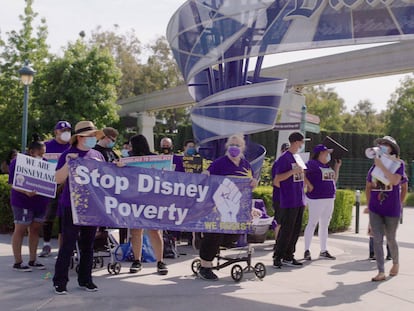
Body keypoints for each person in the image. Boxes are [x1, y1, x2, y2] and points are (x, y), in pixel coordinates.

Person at [53, 121, 105, 294]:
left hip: (92, 207)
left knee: (88, 245)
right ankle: (60, 281)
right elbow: (57, 179)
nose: (92, 139)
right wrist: (69, 163)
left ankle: (85, 279)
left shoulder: (97, 155)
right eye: (90, 136)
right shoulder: (68, 154)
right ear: (80, 137)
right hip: (72, 206)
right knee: (67, 245)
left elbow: (107, 178)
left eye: (93, 136)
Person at [198, 134, 258, 281]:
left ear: (242, 147)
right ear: (227, 146)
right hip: (218, 206)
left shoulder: (246, 165)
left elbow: (249, 187)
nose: (234, 148)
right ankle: (205, 266)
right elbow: (207, 174)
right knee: (214, 235)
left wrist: (254, 183)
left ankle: (210, 252)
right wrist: (204, 174)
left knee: (231, 238)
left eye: (237, 145)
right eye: (232, 144)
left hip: (238, 208)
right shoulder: (220, 163)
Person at [128, 134, 168, 275]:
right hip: (135, 200)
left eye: (131, 145)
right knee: (136, 231)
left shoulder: (155, 159)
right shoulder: (129, 160)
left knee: (154, 230)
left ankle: (160, 261)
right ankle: (137, 260)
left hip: (152, 200)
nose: (129, 148)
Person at [366, 135, 404, 282]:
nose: (382, 146)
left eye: (385, 144)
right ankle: (381, 271)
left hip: (392, 208)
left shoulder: (399, 164)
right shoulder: (373, 166)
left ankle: (395, 263)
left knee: (391, 238)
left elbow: (395, 181)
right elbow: (369, 187)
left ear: (391, 148)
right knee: (376, 239)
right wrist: (368, 206)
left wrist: (382, 166)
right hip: (375, 208)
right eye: (381, 144)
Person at [8, 135, 49, 271]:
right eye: (40, 153)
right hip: (22, 201)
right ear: (31, 152)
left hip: (40, 201)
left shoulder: (45, 163)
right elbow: (13, 183)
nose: (42, 156)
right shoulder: (17, 162)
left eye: (44, 154)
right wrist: (25, 191)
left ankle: (33, 260)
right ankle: (18, 262)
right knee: (20, 229)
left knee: (35, 229)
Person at [272, 132, 306, 268]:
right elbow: (277, 180)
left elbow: (302, 175)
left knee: (295, 230)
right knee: (286, 230)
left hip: (299, 200)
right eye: (302, 142)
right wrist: (291, 173)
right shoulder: (284, 158)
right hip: (289, 200)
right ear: (296, 142)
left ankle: (289, 256)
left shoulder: (298, 157)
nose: (302, 145)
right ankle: (278, 257)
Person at [303, 144, 342, 261]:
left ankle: (323, 250)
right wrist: (309, 185)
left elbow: (333, 179)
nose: (328, 155)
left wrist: (337, 167)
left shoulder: (326, 166)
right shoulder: (312, 164)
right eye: (326, 153)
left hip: (329, 198)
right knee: (312, 223)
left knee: (325, 225)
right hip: (316, 198)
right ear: (320, 153)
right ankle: (306, 250)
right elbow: (302, 172)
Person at [39, 120, 72, 258]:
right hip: (50, 187)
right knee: (49, 216)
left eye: (68, 130)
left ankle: (63, 247)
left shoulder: (72, 146)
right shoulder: (46, 146)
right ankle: (46, 244)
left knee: (64, 217)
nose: (65, 133)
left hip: (68, 188)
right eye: (62, 130)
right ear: (56, 132)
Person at [271, 142, 290, 249]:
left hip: (287, 196)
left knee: (285, 221)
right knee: (279, 220)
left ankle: (282, 241)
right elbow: (276, 181)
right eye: (285, 150)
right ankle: (277, 242)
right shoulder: (278, 163)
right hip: (280, 196)